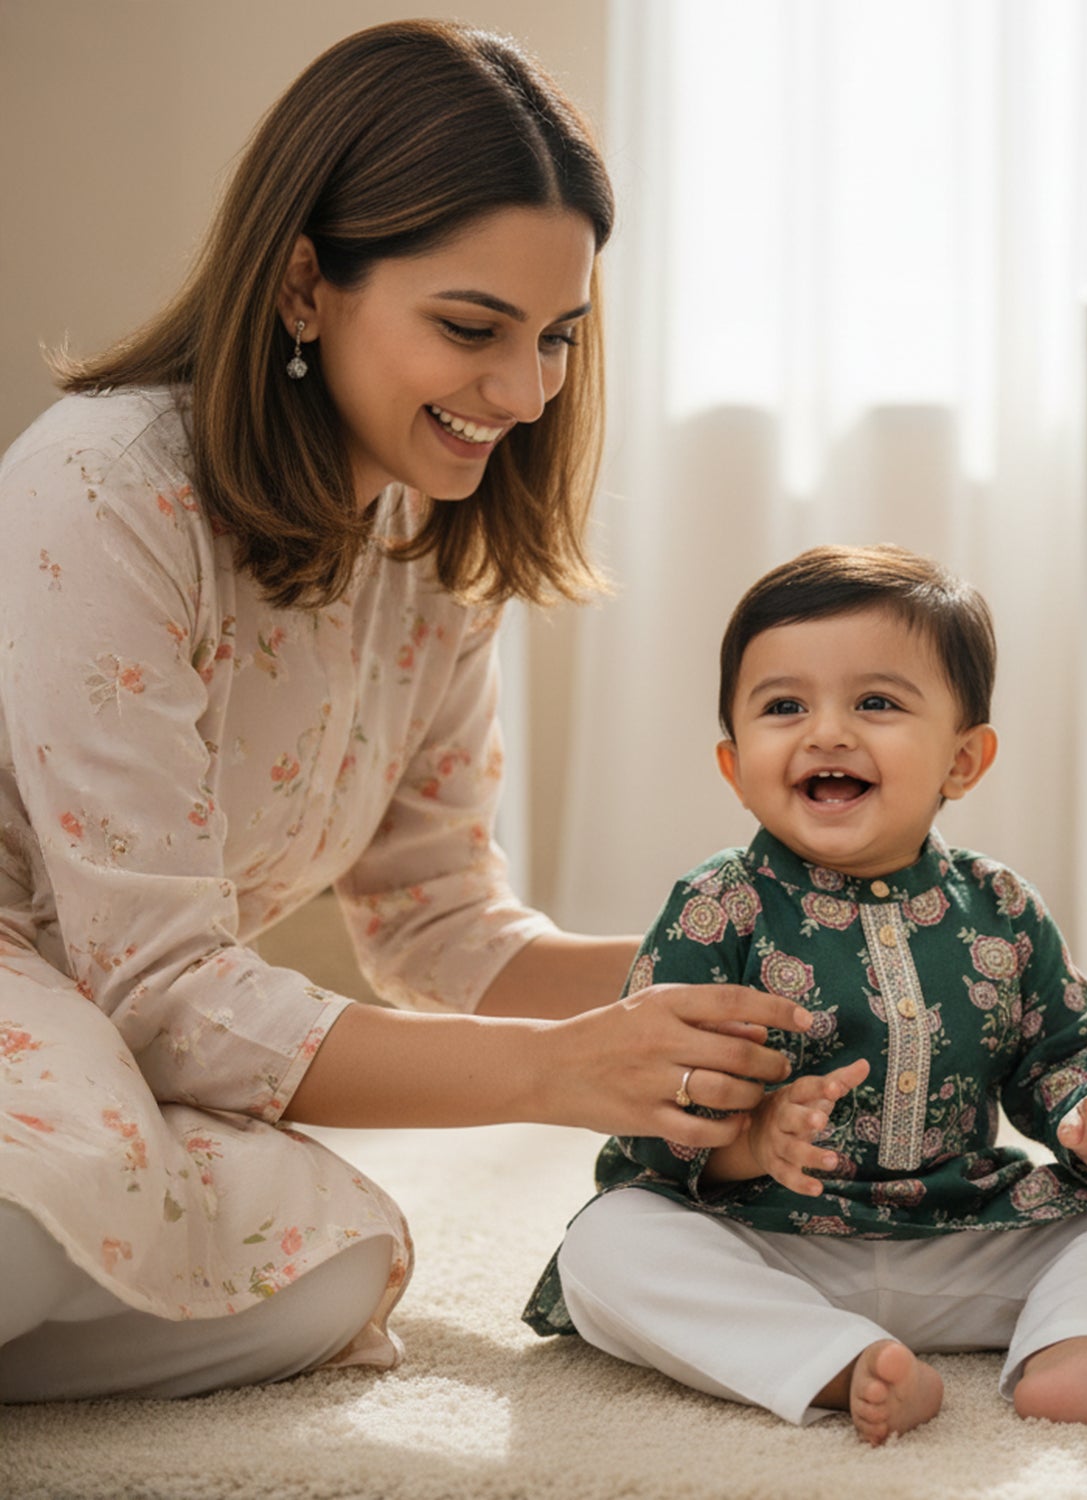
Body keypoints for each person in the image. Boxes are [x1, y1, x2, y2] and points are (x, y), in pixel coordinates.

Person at [0, 19, 810, 1405]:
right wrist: (557, 1077)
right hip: (53, 991)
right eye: (470, 328)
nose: (523, 392)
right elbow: (163, 989)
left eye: (556, 338)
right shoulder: (105, 490)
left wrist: (764, 971)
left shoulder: (429, 546)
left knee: (330, 1267)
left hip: (106, 1026)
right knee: (81, 1197)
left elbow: (438, 923)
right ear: (307, 283)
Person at [525, 545, 1087, 1444]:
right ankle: (831, 1362)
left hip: (963, 1232)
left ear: (963, 760)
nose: (826, 732)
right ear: (734, 763)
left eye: (876, 703)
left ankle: (1070, 1353)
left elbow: (1062, 1051)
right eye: (784, 706)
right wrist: (749, 1139)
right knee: (609, 1246)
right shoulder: (720, 906)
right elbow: (651, 1102)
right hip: (762, 1242)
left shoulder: (1003, 908)